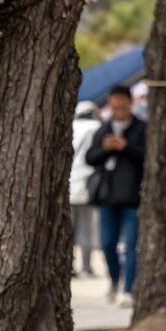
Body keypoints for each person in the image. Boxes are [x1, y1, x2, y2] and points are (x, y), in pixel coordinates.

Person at [85, 85, 147, 304]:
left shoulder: (142, 128)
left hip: (133, 196)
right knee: (107, 243)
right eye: (114, 107)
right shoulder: (104, 128)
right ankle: (114, 279)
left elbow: (148, 157)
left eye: (122, 107)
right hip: (107, 196)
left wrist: (126, 147)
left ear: (130, 104)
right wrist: (106, 148)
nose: (118, 111)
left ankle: (129, 288)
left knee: (131, 245)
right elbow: (90, 158)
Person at [70, 101, 101, 277]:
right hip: (88, 184)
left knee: (69, 230)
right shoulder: (96, 127)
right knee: (86, 228)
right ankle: (86, 267)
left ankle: (68, 265)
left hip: (68, 183)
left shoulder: (71, 126)